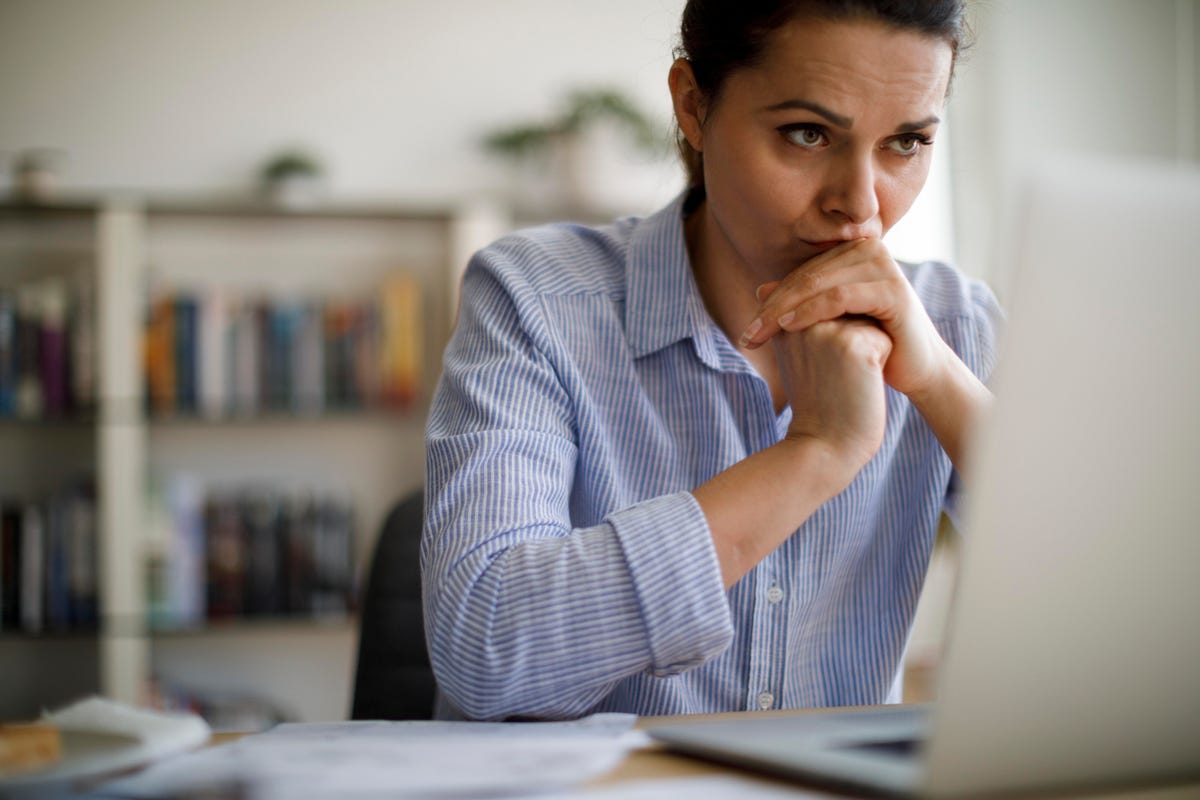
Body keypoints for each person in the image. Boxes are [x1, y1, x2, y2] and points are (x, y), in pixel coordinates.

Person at [422, 0, 1001, 722]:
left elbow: (1127, 620)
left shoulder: (958, 324)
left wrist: (939, 381)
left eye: (907, 143)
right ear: (693, 107)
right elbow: (485, 654)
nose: (860, 207)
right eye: (808, 134)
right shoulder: (537, 298)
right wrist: (817, 453)